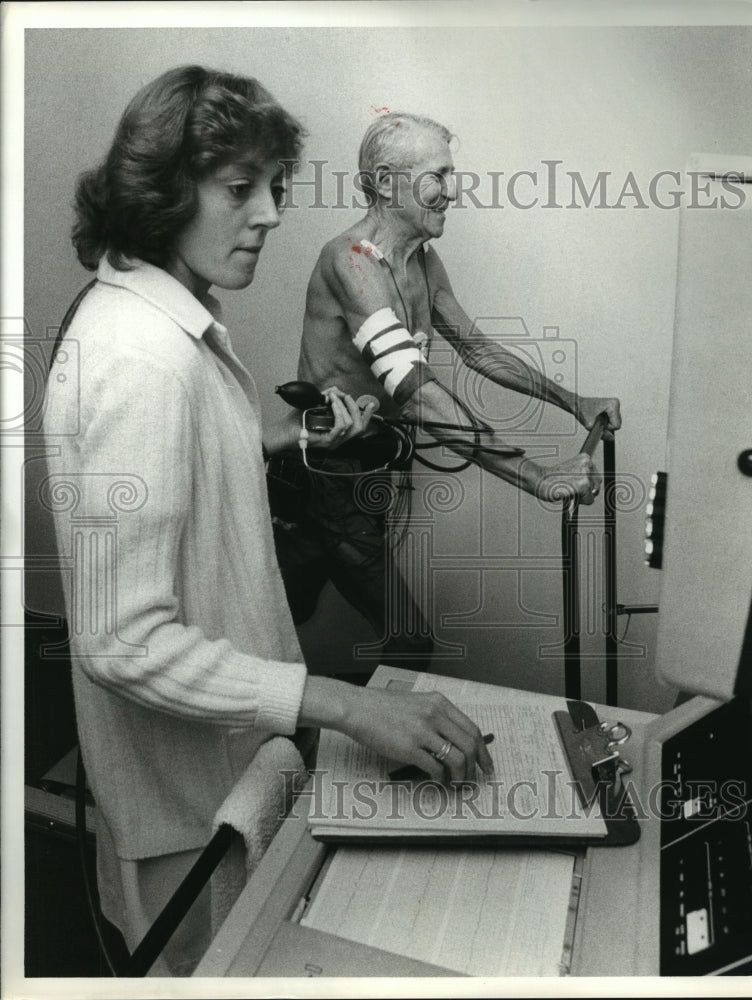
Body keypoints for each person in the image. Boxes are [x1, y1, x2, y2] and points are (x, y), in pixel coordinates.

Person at [43, 69, 492, 976]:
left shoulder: (168, 324)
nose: (274, 212)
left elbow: (191, 471)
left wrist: (292, 434)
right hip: (189, 814)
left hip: (231, 777)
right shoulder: (137, 359)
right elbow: (122, 643)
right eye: (239, 187)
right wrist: (342, 707)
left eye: (277, 187)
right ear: (163, 191)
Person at [271, 111, 621, 671]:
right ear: (386, 183)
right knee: (404, 641)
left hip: (363, 471)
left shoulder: (422, 261)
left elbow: (478, 351)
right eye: (437, 176)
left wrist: (573, 401)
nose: (451, 192)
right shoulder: (352, 262)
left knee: (274, 618)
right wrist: (538, 476)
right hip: (324, 480)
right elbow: (415, 393)